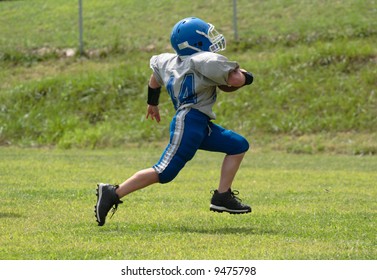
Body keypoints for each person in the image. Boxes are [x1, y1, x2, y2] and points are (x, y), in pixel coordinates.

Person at [95, 17, 254, 226]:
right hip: (188, 121)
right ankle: (112, 192)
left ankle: (222, 196)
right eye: (207, 35)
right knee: (164, 171)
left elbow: (154, 80)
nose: (212, 39)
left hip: (199, 123)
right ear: (195, 42)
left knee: (237, 145)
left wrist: (152, 103)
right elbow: (236, 80)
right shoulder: (205, 60)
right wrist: (246, 75)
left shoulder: (169, 61)